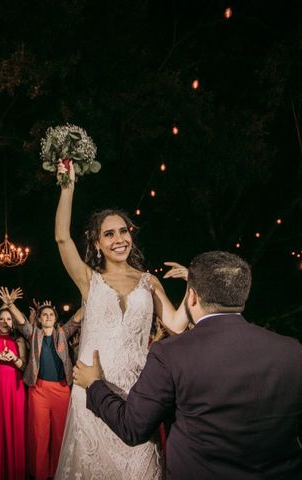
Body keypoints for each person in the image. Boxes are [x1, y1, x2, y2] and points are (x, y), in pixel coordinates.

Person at [74, 251, 302, 480]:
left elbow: (132, 428)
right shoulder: (292, 350)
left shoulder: (171, 353)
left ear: (191, 297)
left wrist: (94, 385)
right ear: (242, 295)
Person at [53, 161, 188, 479]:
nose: (118, 239)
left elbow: (177, 325)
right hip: (92, 391)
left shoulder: (149, 282)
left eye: (123, 231)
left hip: (138, 396)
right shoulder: (90, 281)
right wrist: (67, 185)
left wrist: (194, 283)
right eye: (108, 234)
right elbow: (62, 239)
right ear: (97, 243)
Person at [0, 287, 83, 480]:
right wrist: (10, 305)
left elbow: (77, 319)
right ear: (39, 319)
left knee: (60, 433)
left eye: (51, 314)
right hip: (39, 390)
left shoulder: (62, 333)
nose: (47, 316)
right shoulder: (33, 334)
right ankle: (40, 474)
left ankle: (59, 472)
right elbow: (21, 321)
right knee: (39, 435)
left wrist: (89, 297)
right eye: (44, 314)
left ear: (55, 317)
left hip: (62, 389)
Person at [0, 307, 28, 480]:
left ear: (13, 322)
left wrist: (14, 358)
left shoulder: (19, 341)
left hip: (15, 388)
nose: (5, 322)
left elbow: (24, 367)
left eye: (8, 319)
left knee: (16, 426)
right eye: (1, 319)